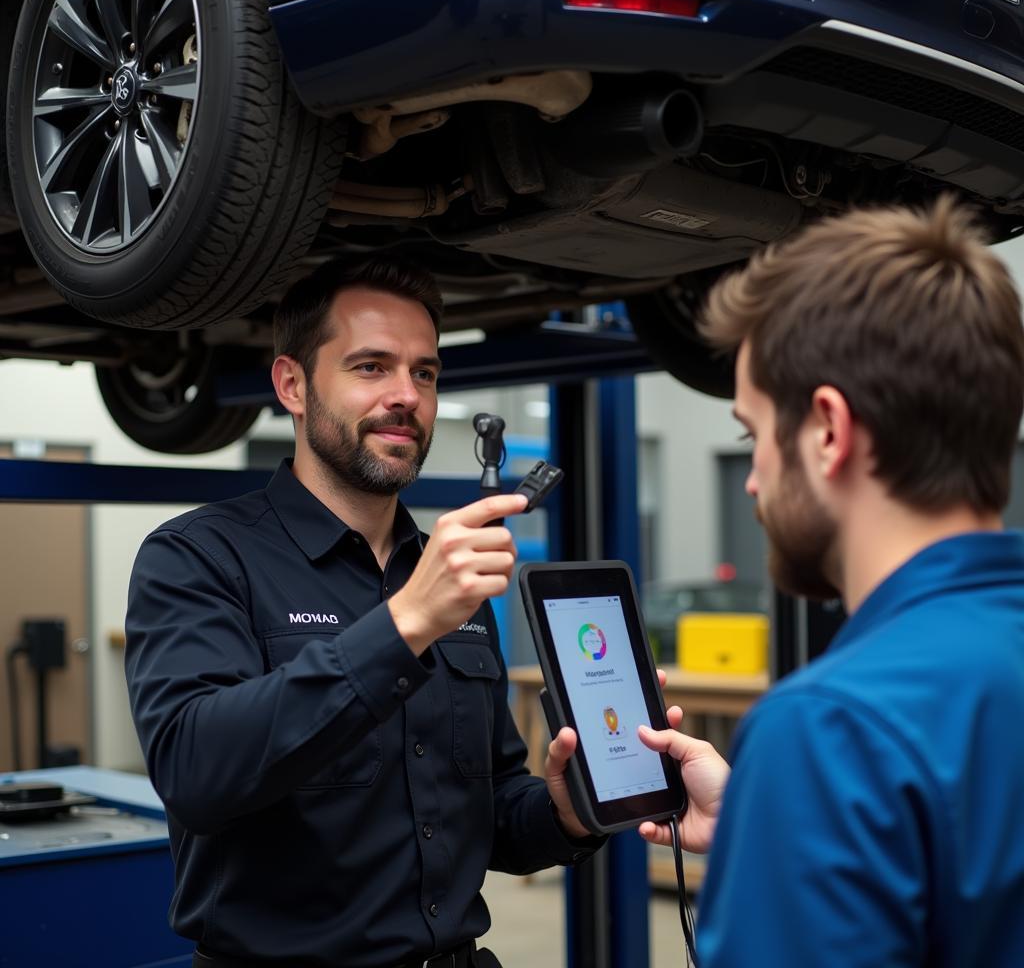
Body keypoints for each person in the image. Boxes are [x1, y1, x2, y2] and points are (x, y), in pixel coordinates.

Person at [124, 259, 603, 968]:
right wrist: (406, 623)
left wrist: (566, 809)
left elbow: (489, 813)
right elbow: (196, 772)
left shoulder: (445, 576)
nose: (406, 396)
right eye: (371, 367)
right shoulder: (199, 557)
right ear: (292, 384)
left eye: (426, 374)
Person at [638, 197, 1024, 966]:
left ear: (826, 431)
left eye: (752, 436)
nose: (750, 481)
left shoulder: (832, 730)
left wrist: (803, 797)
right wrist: (775, 824)